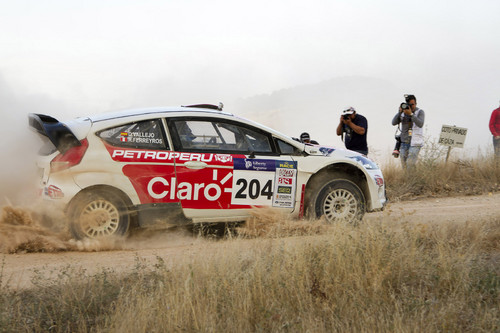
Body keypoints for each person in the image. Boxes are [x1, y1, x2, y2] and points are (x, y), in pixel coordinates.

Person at [391, 94, 425, 169]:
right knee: (404, 165)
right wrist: (400, 112)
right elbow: (393, 122)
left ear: (416, 103)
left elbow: (420, 124)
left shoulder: (420, 112)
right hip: (404, 142)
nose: (411, 106)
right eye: (409, 104)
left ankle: (412, 180)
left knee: (410, 163)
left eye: (413, 104)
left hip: (415, 142)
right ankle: (408, 179)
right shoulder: (403, 113)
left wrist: (411, 114)